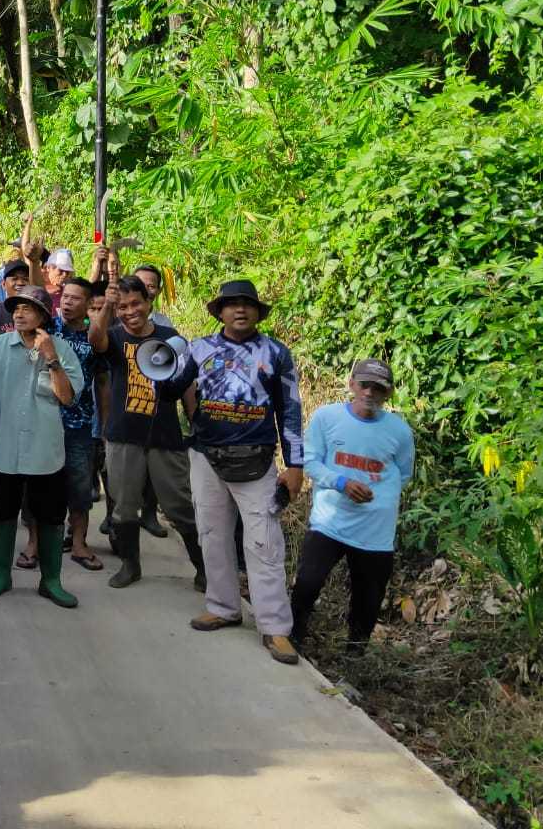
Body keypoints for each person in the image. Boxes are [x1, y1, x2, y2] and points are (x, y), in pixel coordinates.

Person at [170, 279, 305, 666]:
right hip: (205, 456)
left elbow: (290, 410)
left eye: (247, 305)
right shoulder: (200, 348)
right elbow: (170, 389)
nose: (240, 310)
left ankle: (276, 627)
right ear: (220, 312)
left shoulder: (276, 353)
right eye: (231, 305)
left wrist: (295, 466)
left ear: (258, 312)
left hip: (257, 460)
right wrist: (165, 366)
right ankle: (223, 606)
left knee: (264, 541)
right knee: (212, 534)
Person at [88, 258, 205, 593]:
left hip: (165, 435)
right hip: (123, 434)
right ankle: (130, 566)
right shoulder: (114, 335)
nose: (130, 312)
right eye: (123, 306)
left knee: (179, 505)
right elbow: (96, 339)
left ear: (149, 303)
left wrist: (195, 421)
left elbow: (186, 385)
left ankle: (202, 568)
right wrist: (107, 306)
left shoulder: (172, 337)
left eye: (135, 303)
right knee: (123, 506)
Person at [0, 286, 84, 606]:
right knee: (4, 511)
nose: (18, 313)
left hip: (45, 450)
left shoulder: (60, 349)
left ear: (44, 316)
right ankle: (1, 575)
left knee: (49, 515)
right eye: (16, 308)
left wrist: (52, 360)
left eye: (28, 309)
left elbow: (67, 397)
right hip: (7, 448)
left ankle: (51, 580)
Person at [290, 360, 412, 650]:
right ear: (352, 384)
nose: (370, 392)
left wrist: (378, 499)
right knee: (307, 583)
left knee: (367, 602)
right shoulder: (327, 418)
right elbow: (310, 461)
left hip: (375, 533)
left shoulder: (400, 432)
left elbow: (404, 474)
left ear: (388, 393)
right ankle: (293, 636)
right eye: (364, 384)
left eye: (378, 388)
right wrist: (341, 483)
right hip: (329, 521)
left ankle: (355, 655)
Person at [53, 277, 104, 571]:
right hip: (47, 422)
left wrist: (103, 425)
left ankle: (80, 543)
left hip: (81, 424)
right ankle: (40, 542)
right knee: (44, 485)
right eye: (65, 296)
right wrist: (34, 263)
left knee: (80, 488)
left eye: (75, 298)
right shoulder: (51, 328)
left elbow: (104, 382)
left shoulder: (94, 338)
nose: (67, 302)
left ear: (87, 305)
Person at [133, 264, 175, 330]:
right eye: (140, 285)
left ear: (159, 291)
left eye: (151, 286)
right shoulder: (118, 321)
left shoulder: (164, 324)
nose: (145, 291)